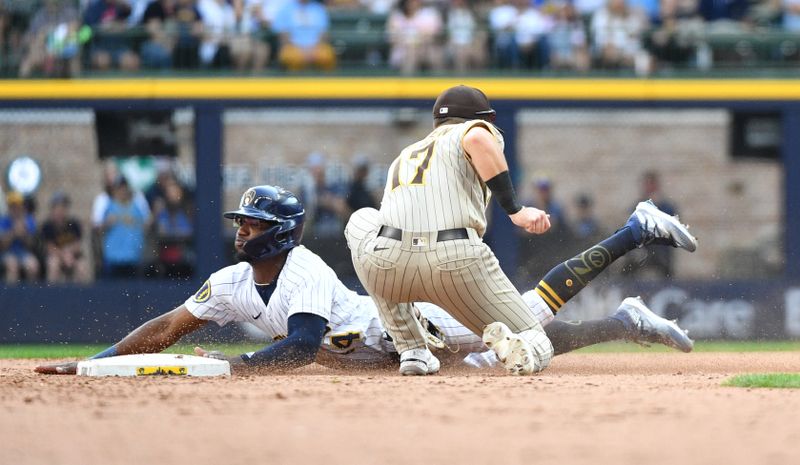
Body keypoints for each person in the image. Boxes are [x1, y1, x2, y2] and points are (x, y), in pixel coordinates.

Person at [35, 184, 697, 376]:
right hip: (391, 358)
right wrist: (93, 364)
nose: (242, 230)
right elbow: (168, 326)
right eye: (240, 221)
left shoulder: (304, 272)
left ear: (282, 230)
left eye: (254, 221)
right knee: (521, 352)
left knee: (528, 316)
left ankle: (635, 229)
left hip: (409, 326)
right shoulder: (232, 281)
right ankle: (626, 320)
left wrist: (231, 365)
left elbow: (298, 347)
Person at [343, 85, 696, 377]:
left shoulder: (404, 153)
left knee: (362, 220)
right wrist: (515, 209)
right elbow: (479, 138)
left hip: (390, 275)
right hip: (451, 267)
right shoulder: (471, 130)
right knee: (536, 336)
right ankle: (634, 248)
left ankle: (414, 351)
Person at [40, 191, 91, 283]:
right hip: (56, 256)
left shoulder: (74, 224)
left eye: (63, 207)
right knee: (53, 265)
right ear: (52, 209)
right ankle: (52, 294)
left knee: (82, 267)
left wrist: (69, 253)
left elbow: (78, 244)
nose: (60, 211)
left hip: (73, 256)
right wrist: (63, 255)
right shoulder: (47, 226)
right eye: (57, 207)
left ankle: (82, 295)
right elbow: (49, 247)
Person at [0, 191, 40, 284]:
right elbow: (2, 246)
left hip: (23, 253)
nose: (15, 209)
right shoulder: (3, 221)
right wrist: (14, 232)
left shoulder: (29, 220)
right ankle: (11, 296)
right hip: (6, 253)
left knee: (33, 265)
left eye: (17, 205)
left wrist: (24, 234)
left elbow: (31, 245)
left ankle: (31, 295)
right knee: (12, 265)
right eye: (12, 206)